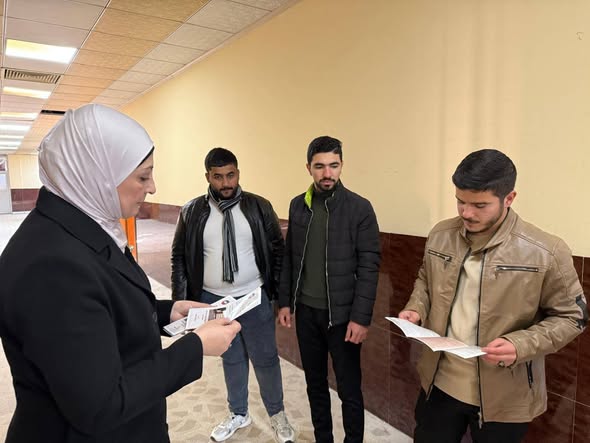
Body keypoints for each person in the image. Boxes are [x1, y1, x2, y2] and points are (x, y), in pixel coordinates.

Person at [0, 104, 241, 443]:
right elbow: (100, 405)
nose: (153, 187)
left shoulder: (83, 225)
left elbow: (99, 306)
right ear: (96, 175)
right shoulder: (51, 265)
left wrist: (167, 312)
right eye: (142, 176)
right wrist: (195, 347)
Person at [398, 149, 588, 443]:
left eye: (480, 205)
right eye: (460, 201)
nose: (466, 213)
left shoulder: (545, 251)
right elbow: (426, 278)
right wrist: (416, 307)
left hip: (505, 398)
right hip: (438, 383)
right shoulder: (441, 234)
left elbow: (573, 317)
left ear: (509, 198)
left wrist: (519, 344)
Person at [171, 147, 295, 443]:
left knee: (266, 359)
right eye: (218, 177)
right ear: (207, 177)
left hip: (254, 297)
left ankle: (277, 414)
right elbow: (179, 257)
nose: (226, 183)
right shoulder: (191, 211)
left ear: (238, 173)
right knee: (232, 358)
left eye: (231, 175)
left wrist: (281, 299)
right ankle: (239, 413)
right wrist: (181, 301)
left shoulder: (259, 206)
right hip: (214, 299)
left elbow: (278, 252)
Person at [278, 136, 381, 443]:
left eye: (333, 166)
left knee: (349, 389)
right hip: (307, 314)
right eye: (320, 166)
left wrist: (361, 318)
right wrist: (285, 302)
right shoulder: (298, 205)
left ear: (342, 166)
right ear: (308, 168)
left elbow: (369, 267)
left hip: (343, 318)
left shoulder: (359, 208)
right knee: (315, 384)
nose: (327, 173)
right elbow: (290, 257)